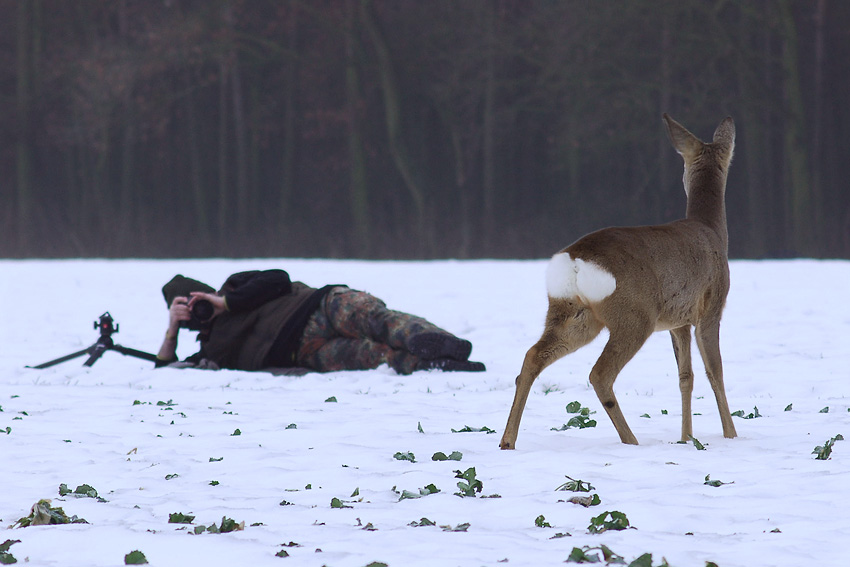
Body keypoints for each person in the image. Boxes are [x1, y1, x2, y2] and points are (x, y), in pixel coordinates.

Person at [155, 269, 485, 375]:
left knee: (375, 320)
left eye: (196, 297)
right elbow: (166, 375)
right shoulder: (208, 352)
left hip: (317, 306)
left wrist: (224, 302)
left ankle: (437, 341)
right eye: (186, 307)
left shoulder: (234, 288)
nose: (197, 306)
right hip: (305, 352)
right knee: (372, 357)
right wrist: (171, 332)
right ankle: (435, 365)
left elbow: (278, 279)